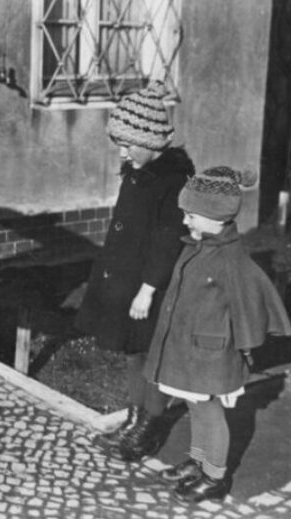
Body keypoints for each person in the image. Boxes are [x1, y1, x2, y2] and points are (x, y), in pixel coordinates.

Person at [142, 166, 291, 502]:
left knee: (210, 412)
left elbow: (251, 302)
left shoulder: (230, 259)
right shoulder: (198, 246)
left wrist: (246, 347)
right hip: (190, 350)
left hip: (212, 354)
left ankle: (214, 477)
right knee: (195, 406)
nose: (185, 221)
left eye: (191, 215)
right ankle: (198, 462)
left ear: (216, 217)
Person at [74, 80, 194, 461]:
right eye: (119, 144)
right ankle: (134, 417)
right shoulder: (137, 172)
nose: (122, 152)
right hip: (128, 280)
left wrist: (148, 287)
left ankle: (149, 427)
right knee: (132, 351)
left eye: (128, 144)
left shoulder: (172, 181)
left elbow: (168, 239)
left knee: (153, 355)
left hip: (151, 285)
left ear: (151, 141)